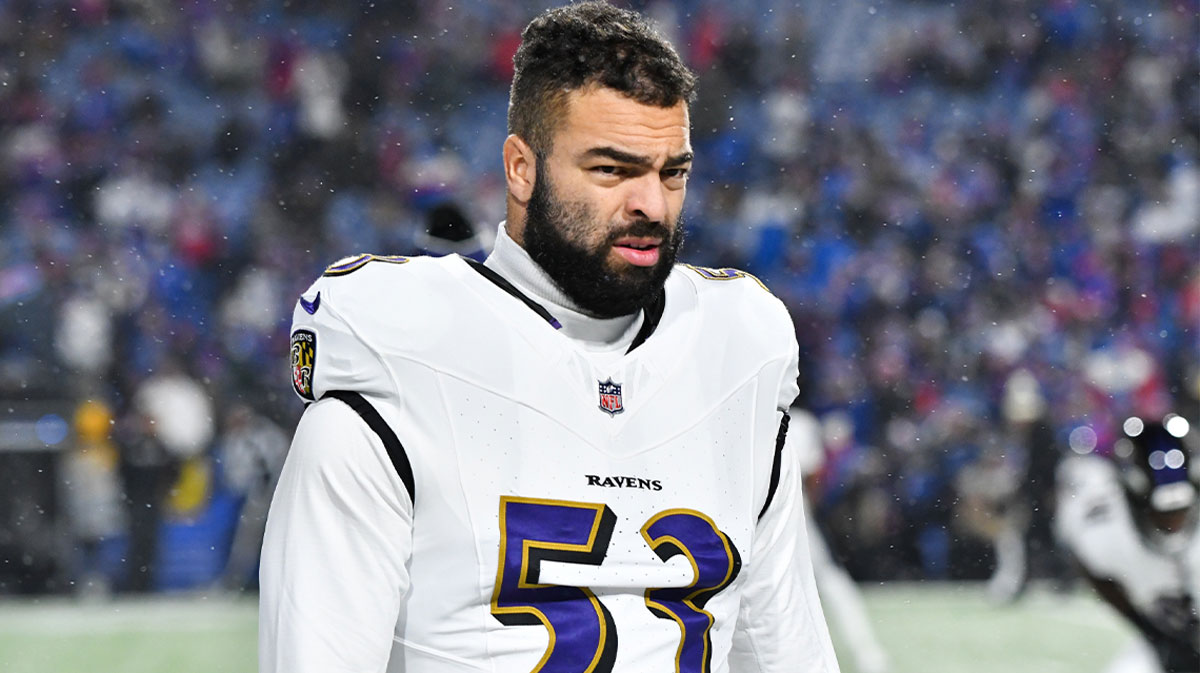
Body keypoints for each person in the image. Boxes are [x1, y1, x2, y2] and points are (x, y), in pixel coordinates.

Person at [259, 3, 839, 672]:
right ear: (521, 169)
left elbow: (786, 656)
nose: (650, 204)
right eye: (611, 170)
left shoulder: (737, 350)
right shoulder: (398, 365)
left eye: (670, 172)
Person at [1056, 415, 1200, 673]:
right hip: (1162, 625)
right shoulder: (1108, 528)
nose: (1175, 522)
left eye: (1182, 509)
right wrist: (1146, 627)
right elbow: (1092, 568)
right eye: (1164, 513)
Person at [786, 408, 891, 673]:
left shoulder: (736, 412)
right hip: (791, 518)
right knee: (832, 585)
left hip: (752, 523)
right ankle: (868, 654)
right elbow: (813, 479)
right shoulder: (798, 422)